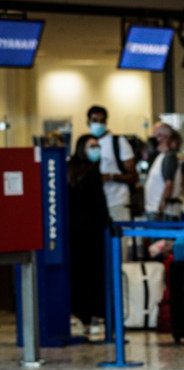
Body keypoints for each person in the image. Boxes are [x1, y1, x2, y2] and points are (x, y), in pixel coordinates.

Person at [67, 135, 109, 336]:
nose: (97, 149)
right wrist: (108, 225)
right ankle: (94, 316)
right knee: (94, 275)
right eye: (92, 146)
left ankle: (80, 315)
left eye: (98, 145)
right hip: (92, 233)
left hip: (73, 233)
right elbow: (99, 204)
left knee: (79, 275)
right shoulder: (92, 172)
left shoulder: (70, 170)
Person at [86, 105, 137, 223]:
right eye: (94, 120)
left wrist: (111, 177)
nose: (98, 124)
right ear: (88, 121)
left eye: (102, 121)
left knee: (120, 239)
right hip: (96, 202)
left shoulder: (118, 142)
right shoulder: (87, 144)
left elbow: (133, 176)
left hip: (117, 201)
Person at [143, 122, 180, 221]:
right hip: (156, 211)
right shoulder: (161, 156)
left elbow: (168, 185)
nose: (152, 138)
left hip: (163, 214)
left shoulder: (169, 157)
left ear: (163, 137)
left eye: (154, 135)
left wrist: (161, 210)